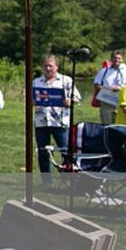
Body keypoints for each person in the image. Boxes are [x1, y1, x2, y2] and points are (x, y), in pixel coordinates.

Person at [32, 54, 80, 184]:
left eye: (51, 66)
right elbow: (31, 97)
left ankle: (69, 179)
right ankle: (46, 181)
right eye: (45, 66)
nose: (48, 68)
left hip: (60, 122)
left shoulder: (66, 80)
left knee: (65, 151)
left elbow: (77, 97)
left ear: (57, 67)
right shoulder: (36, 82)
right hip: (41, 122)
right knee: (43, 152)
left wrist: (70, 101)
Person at [93, 51, 126, 125]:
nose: (117, 60)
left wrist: (120, 88)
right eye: (115, 58)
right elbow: (96, 85)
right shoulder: (104, 71)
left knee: (121, 124)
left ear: (122, 59)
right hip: (106, 100)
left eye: (119, 58)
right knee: (107, 124)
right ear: (111, 59)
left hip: (122, 100)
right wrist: (108, 88)